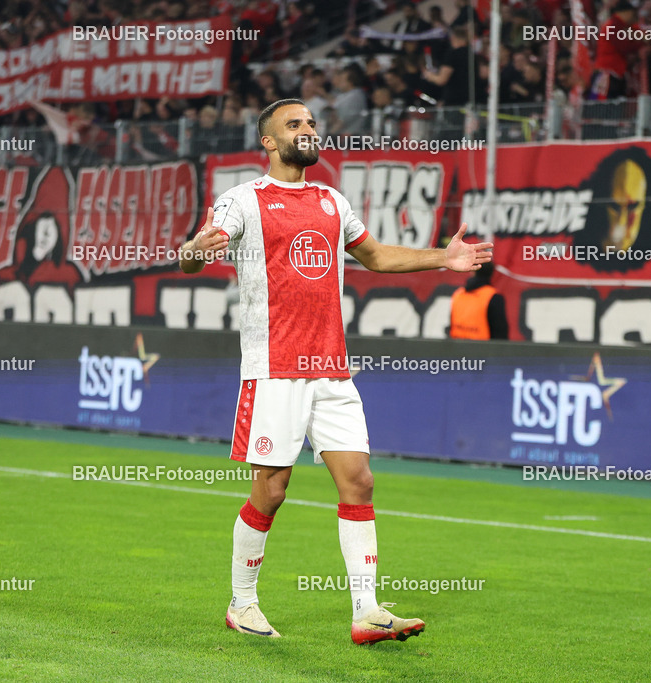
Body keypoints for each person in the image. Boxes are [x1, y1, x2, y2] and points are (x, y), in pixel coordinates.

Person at [178, 98, 492, 644]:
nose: (308, 130)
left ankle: (366, 612)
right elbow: (198, 253)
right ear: (270, 142)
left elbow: (373, 257)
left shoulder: (329, 200)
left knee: (359, 482)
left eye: (311, 123)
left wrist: (443, 258)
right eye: (293, 125)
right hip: (274, 369)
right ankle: (242, 604)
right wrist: (192, 250)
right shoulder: (243, 200)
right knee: (271, 492)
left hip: (331, 370)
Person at [449, 262, 507, 340]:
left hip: (456, 349)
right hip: (482, 350)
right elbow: (500, 333)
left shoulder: (458, 294)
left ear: (473, 272)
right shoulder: (494, 297)